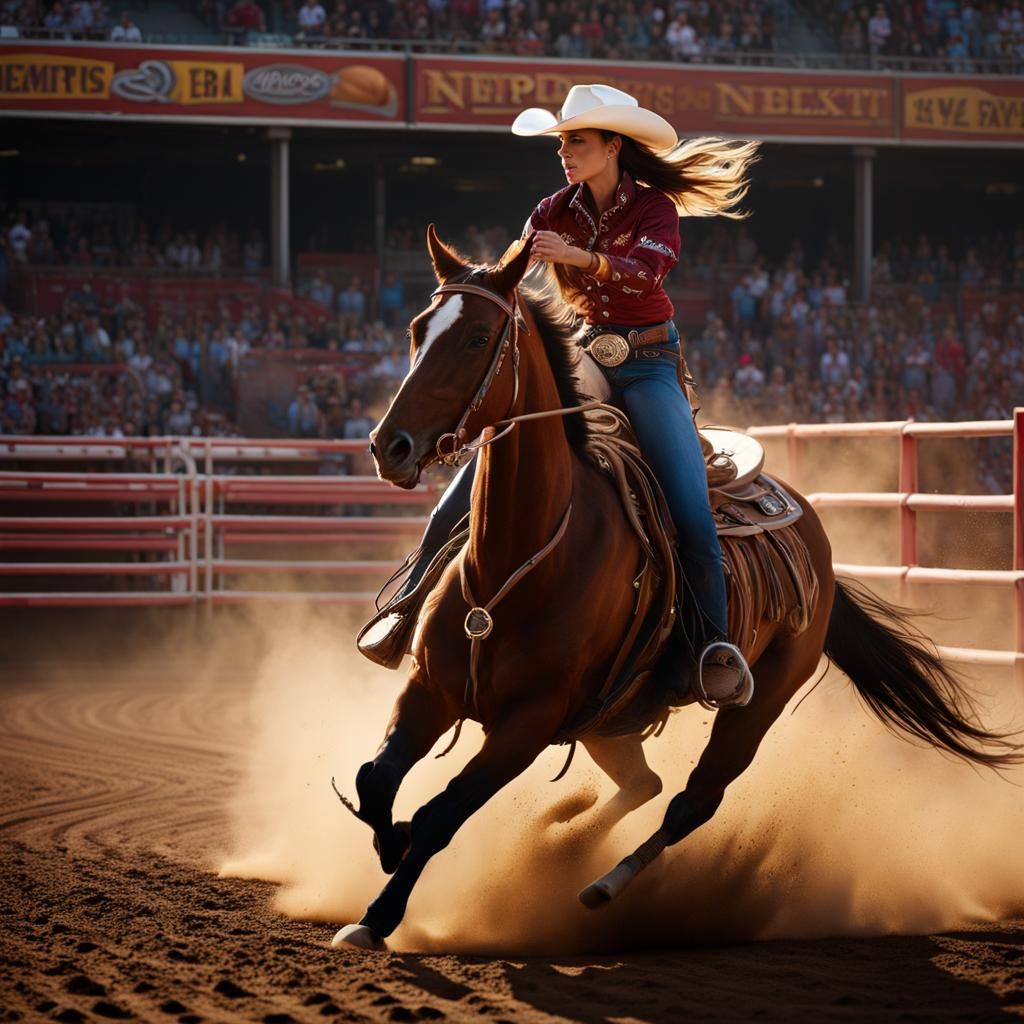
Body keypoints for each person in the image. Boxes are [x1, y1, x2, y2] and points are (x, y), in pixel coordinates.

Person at [361, 83, 759, 705]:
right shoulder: (549, 211)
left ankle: (712, 647)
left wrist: (578, 254)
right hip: (583, 357)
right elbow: (508, 278)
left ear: (613, 145)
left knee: (692, 514)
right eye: (562, 143)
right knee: (471, 487)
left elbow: (646, 274)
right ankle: (408, 607)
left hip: (649, 362)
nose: (565, 152)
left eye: (577, 141)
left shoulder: (654, 210)